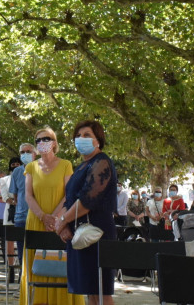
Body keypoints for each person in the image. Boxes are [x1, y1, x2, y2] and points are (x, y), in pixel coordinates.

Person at [55, 120, 117, 305]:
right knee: (90, 292)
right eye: (78, 135)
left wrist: (63, 220)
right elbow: (71, 200)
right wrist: (62, 225)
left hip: (96, 233)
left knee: (101, 292)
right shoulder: (82, 166)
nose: (81, 139)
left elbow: (88, 200)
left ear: (98, 140)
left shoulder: (101, 162)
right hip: (79, 234)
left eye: (87, 135)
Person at [19, 127, 81, 305]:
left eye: (45, 139)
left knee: (59, 266)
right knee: (35, 268)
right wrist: (42, 216)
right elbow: (28, 196)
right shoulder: (30, 167)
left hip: (59, 222)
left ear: (54, 142)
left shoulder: (66, 164)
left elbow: (69, 195)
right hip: (36, 221)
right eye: (38, 140)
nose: (42, 143)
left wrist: (54, 218)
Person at [9, 143, 35, 269]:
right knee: (21, 254)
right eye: (22, 152)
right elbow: (15, 195)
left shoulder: (41, 168)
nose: (25, 154)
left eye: (28, 151)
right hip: (21, 218)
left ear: (35, 153)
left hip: (38, 217)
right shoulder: (17, 172)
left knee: (38, 253)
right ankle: (23, 283)